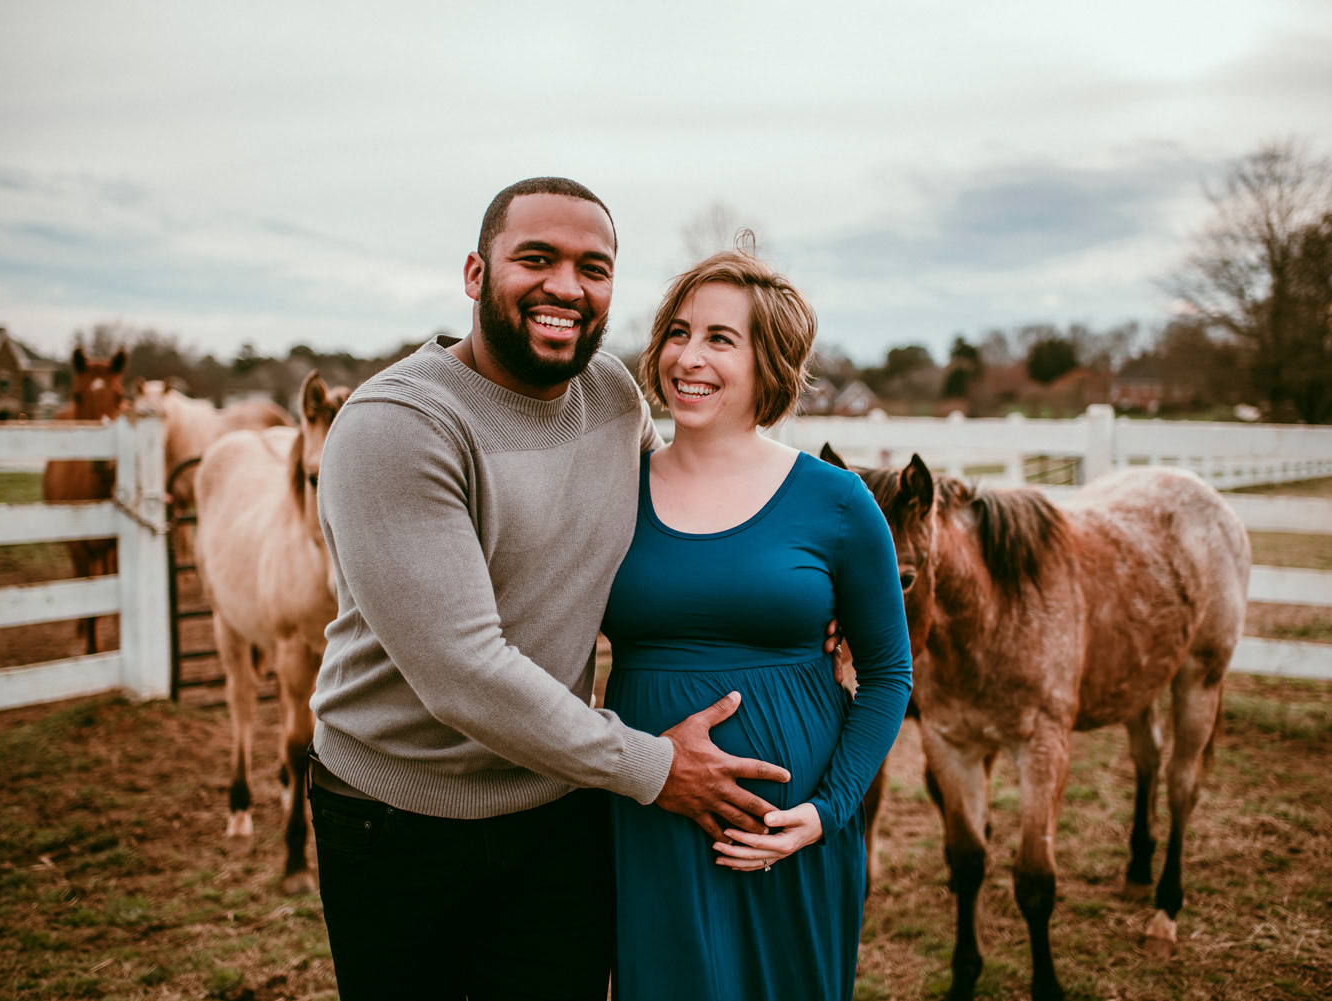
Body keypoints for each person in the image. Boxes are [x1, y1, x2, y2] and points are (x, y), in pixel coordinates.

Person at [307, 178, 802, 1000]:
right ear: (475, 274)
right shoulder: (398, 424)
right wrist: (653, 767)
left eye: (592, 268)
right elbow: (464, 671)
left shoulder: (612, 396)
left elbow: (673, 536)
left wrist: (809, 605)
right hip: (398, 817)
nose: (566, 287)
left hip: (560, 805)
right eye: (536, 259)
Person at [602, 243, 913, 1000]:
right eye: (678, 333)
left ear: (768, 362)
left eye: (720, 338)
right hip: (649, 805)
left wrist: (828, 811)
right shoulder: (610, 491)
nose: (688, 357)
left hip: (789, 826)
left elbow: (887, 674)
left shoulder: (837, 502)